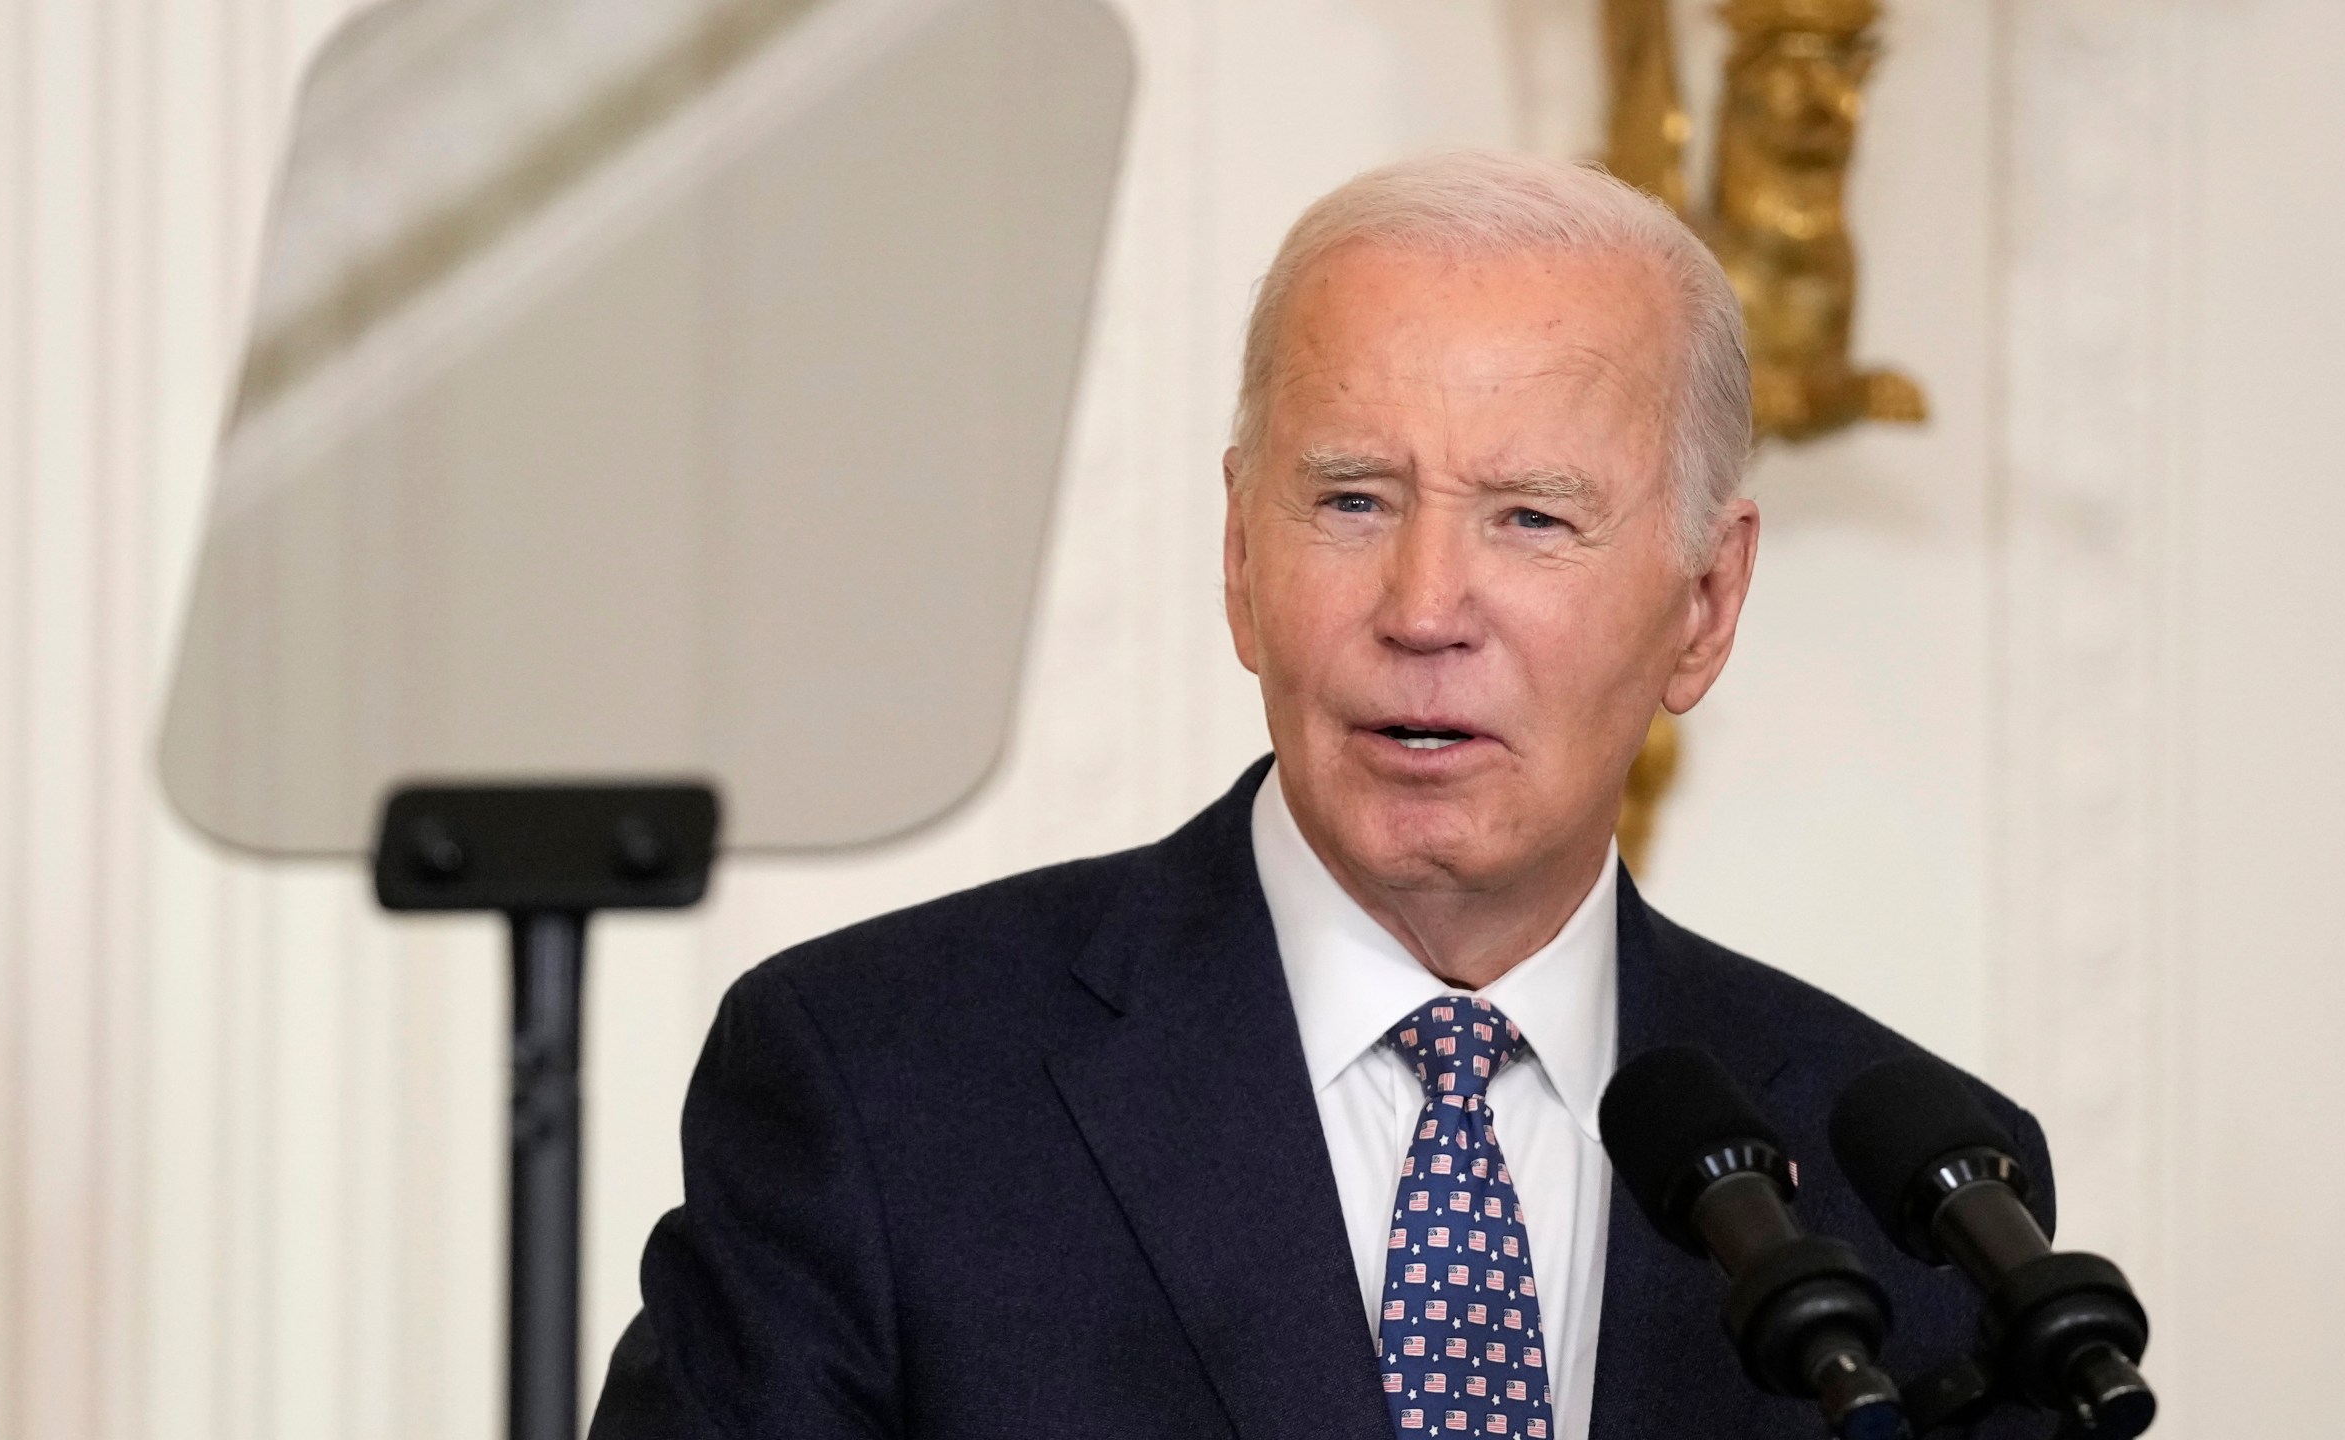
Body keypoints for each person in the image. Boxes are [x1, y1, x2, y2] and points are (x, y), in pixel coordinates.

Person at [589, 148, 2053, 1440]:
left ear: (1707, 605)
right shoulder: (882, 1090)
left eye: (1532, 518)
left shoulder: (1919, 1196)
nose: (1424, 607)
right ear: (1241, 556)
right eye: (1352, 501)